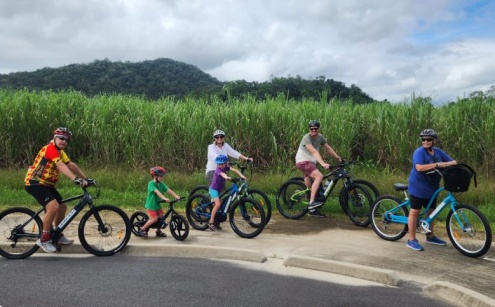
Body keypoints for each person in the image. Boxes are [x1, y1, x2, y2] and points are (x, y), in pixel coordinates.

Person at [25, 127, 88, 253]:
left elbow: (70, 164)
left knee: (62, 207)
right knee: (53, 207)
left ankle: (57, 235)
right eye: (61, 138)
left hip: (47, 184)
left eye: (66, 140)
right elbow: (60, 166)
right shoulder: (50, 148)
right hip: (35, 183)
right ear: (55, 138)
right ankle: (44, 239)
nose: (64, 141)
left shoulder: (60, 152)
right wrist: (75, 179)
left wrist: (85, 178)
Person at [406, 129, 457, 251]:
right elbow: (419, 167)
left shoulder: (438, 152)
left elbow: (453, 162)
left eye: (429, 139)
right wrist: (438, 165)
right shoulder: (419, 152)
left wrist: (450, 164)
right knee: (414, 212)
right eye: (423, 139)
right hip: (418, 186)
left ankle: (430, 236)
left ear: (434, 140)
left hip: (432, 187)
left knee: (431, 212)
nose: (426, 142)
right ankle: (411, 240)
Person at [295, 120, 342, 217]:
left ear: (318, 129)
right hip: (303, 160)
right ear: (309, 129)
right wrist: (323, 164)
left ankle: (312, 209)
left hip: (311, 162)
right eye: (311, 129)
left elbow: (328, 148)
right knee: (319, 177)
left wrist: (338, 158)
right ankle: (312, 202)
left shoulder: (320, 137)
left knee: (315, 183)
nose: (313, 131)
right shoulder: (306, 138)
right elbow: (314, 152)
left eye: (315, 129)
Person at [138, 166, 181, 238]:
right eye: (161, 176)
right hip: (151, 206)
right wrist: (164, 198)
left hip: (157, 205)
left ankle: (158, 231)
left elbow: (168, 190)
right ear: (155, 176)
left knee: (161, 218)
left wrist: (176, 196)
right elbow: (157, 192)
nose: (162, 178)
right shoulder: (151, 183)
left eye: (162, 176)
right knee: (154, 219)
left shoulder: (161, 183)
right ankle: (142, 230)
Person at [208, 155, 246, 231]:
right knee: (218, 204)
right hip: (214, 190)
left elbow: (234, 170)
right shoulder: (218, 170)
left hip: (219, 190)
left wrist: (241, 175)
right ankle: (211, 221)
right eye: (218, 164)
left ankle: (216, 221)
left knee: (220, 205)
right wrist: (227, 177)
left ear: (225, 163)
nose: (220, 165)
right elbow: (223, 175)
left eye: (222, 164)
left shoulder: (225, 167)